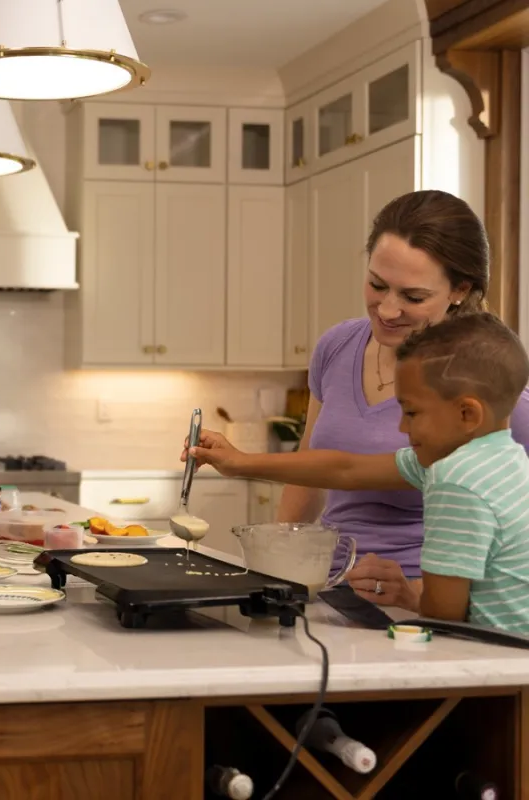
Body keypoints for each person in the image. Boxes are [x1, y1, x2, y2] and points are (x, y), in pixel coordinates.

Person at [185, 313, 529, 632]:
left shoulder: (454, 478)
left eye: (411, 412)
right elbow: (345, 468)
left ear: (468, 414)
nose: (401, 425)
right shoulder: (506, 458)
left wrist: (408, 594)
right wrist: (238, 461)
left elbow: (444, 613)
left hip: (498, 659)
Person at [276, 190, 529, 611]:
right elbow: (312, 470)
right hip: (329, 595)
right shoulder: (336, 348)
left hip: (425, 611)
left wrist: (416, 594)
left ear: (459, 290)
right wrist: (276, 565)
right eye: (377, 285)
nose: (388, 310)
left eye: (412, 297)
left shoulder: (492, 392)